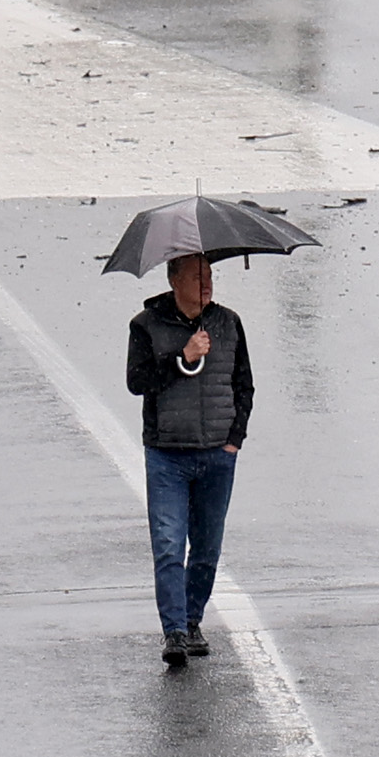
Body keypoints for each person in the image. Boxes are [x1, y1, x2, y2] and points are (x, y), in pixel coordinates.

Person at [123, 251, 252, 669]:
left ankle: (193, 619)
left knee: (207, 549)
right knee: (167, 545)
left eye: (210, 276)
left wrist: (234, 439)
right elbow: (138, 382)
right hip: (168, 456)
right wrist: (185, 356)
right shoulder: (146, 325)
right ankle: (174, 632)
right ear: (174, 281)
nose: (207, 285)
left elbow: (244, 385)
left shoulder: (228, 323)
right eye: (198, 277)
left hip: (217, 454)